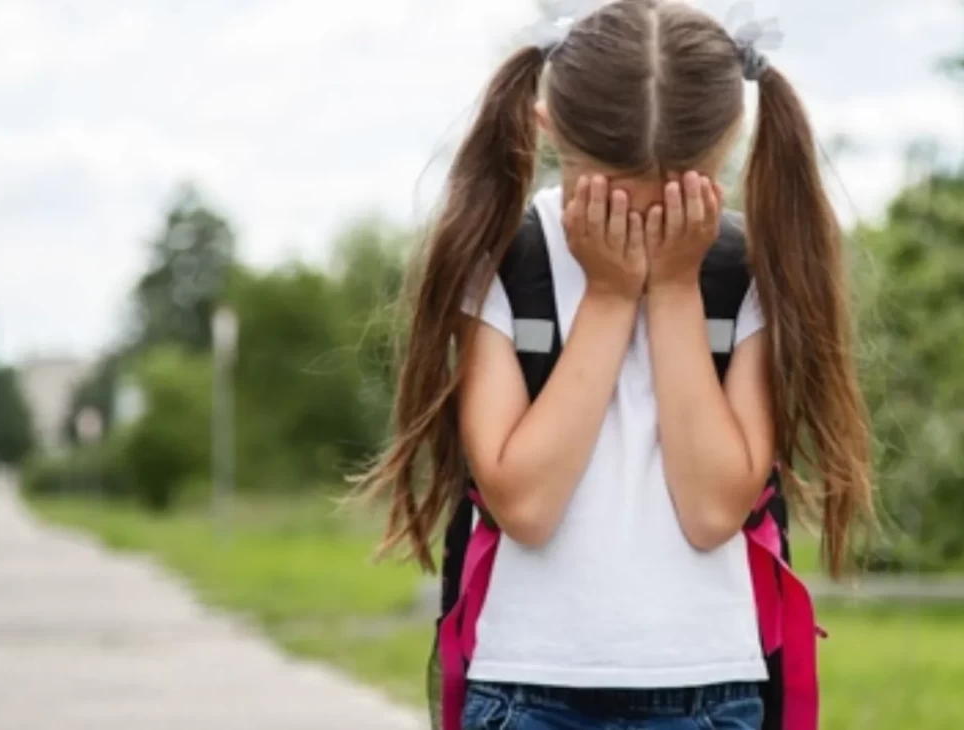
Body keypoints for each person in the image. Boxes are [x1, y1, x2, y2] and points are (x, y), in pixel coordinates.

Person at [356, 1, 873, 728]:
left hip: (712, 690)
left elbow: (712, 510)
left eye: (672, 197)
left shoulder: (747, 272)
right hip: (526, 688)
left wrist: (672, 289)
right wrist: (606, 295)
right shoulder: (503, 261)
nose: (639, 226)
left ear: (727, 145)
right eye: (604, 195)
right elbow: (526, 506)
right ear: (547, 130)